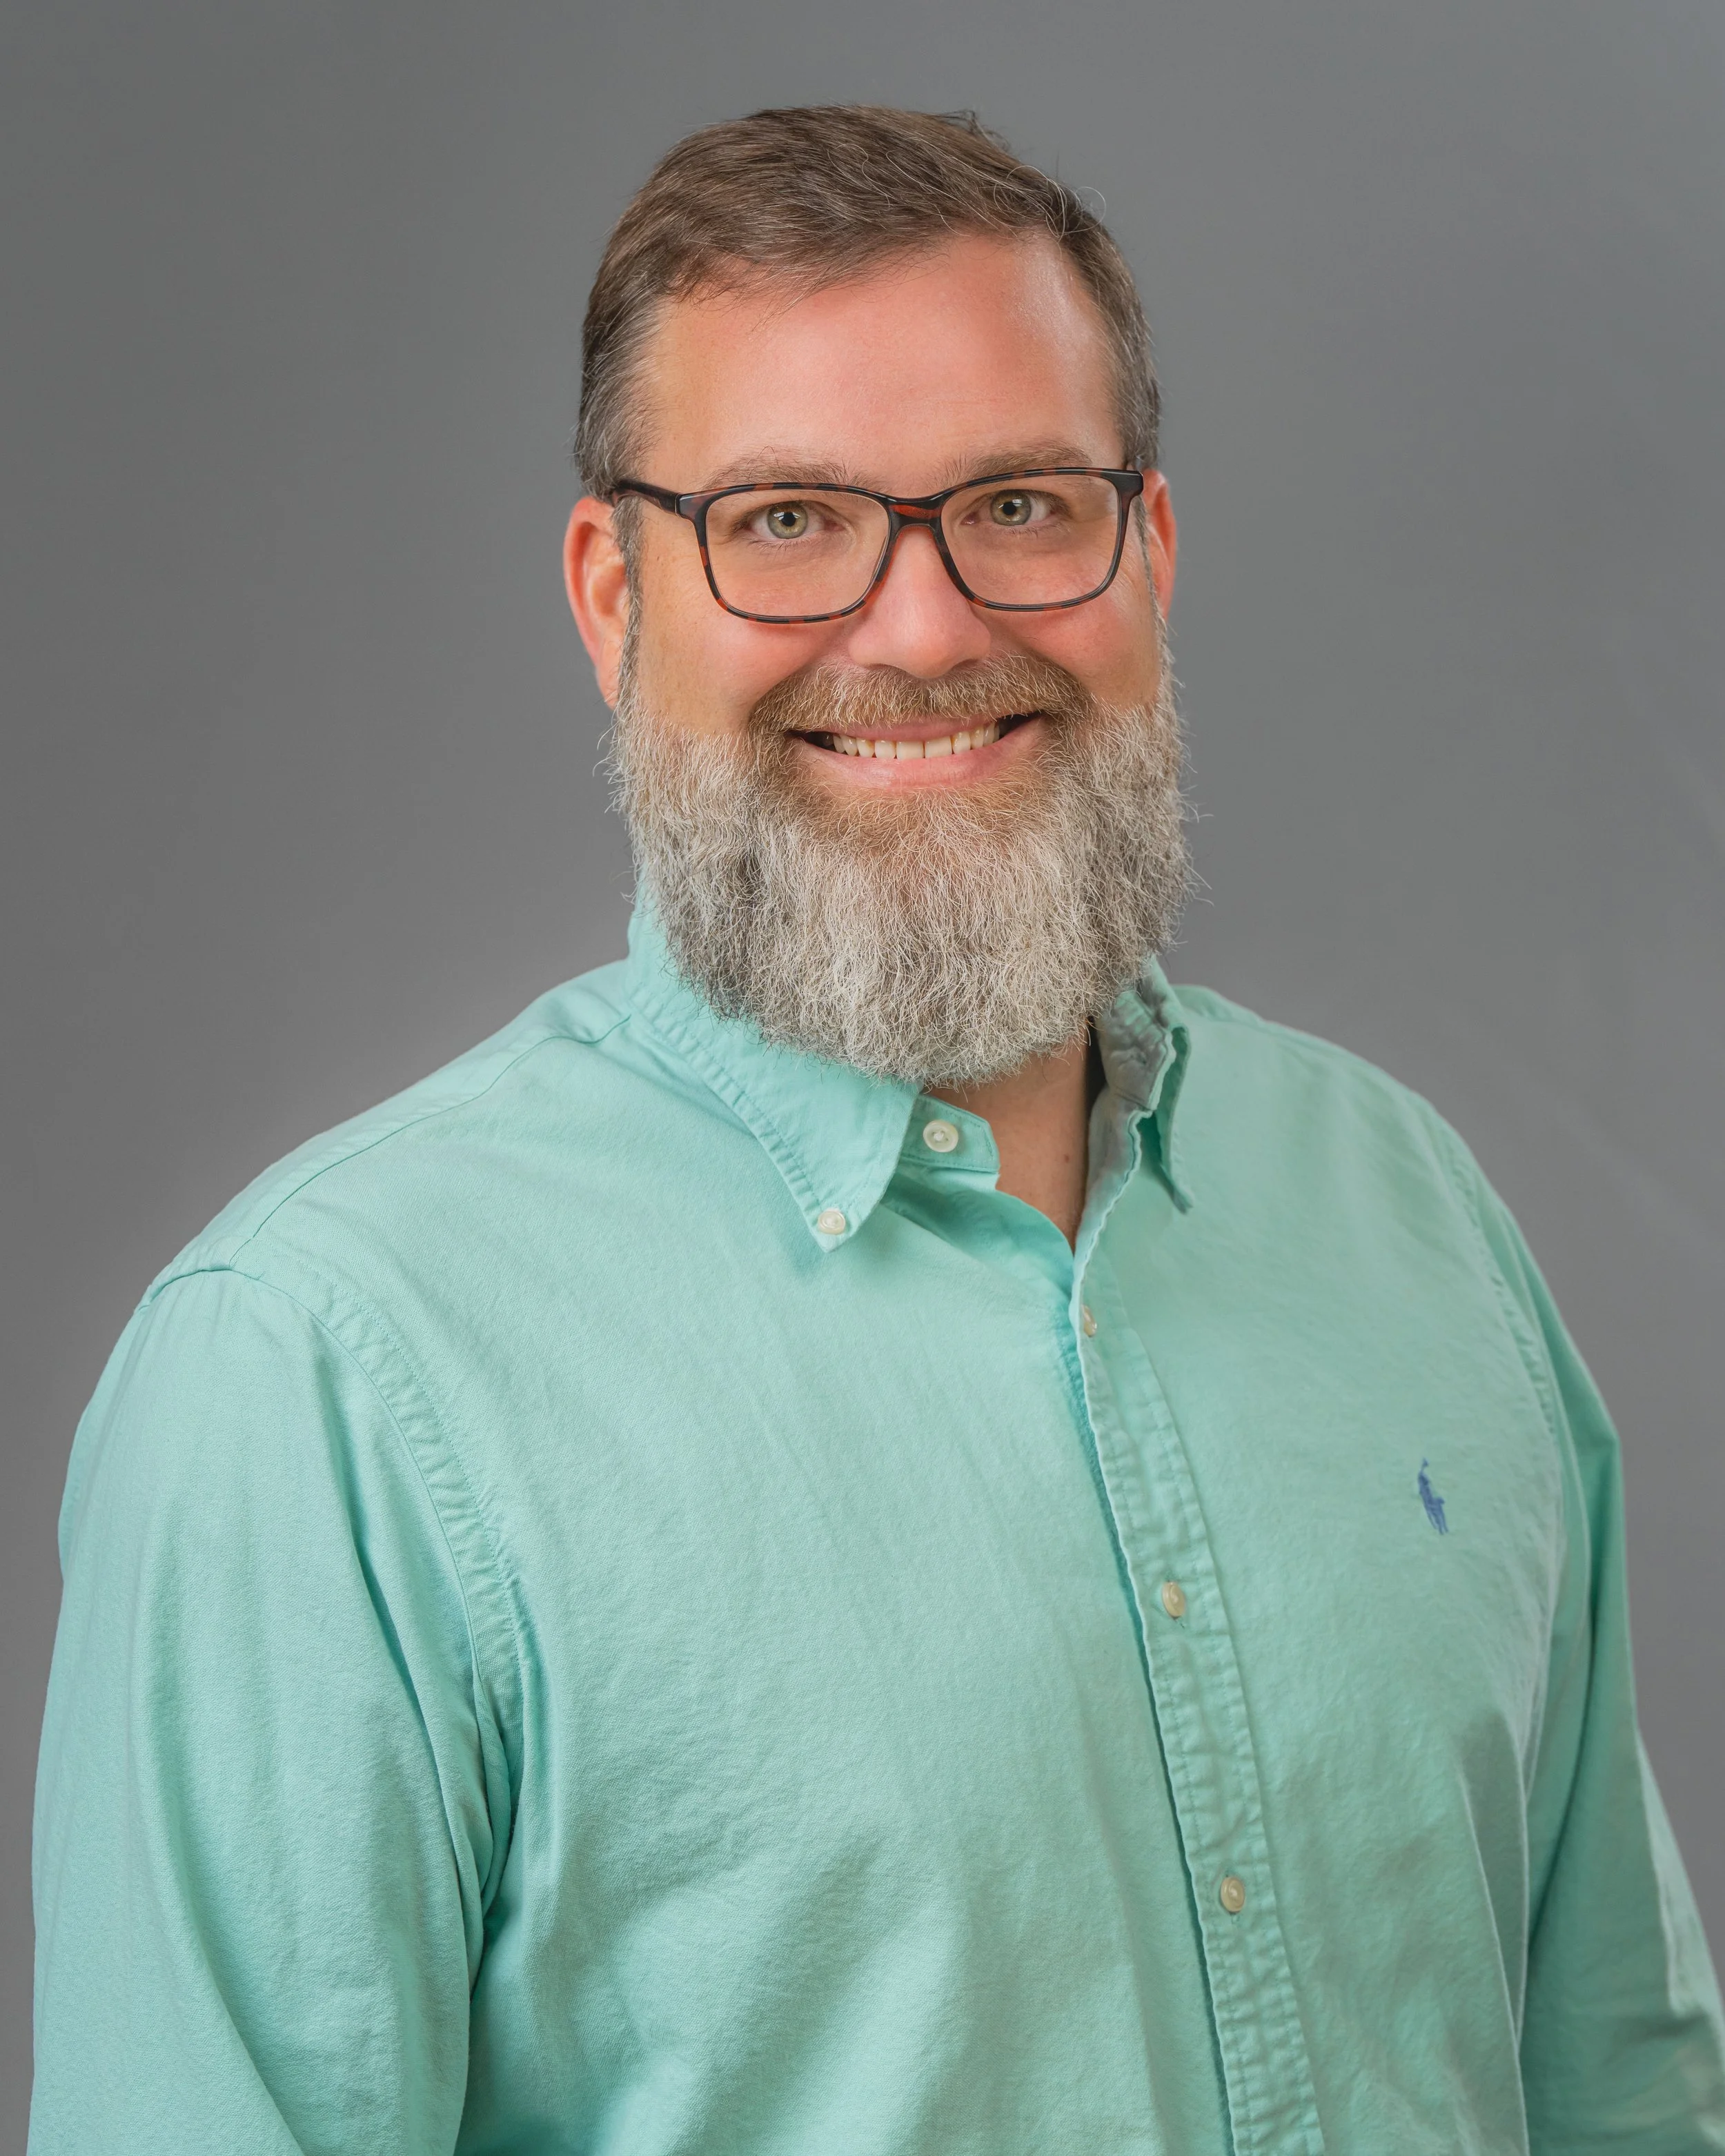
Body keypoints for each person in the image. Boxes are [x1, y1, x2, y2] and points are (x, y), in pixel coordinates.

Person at [28, 103, 1724, 2155]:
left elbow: (1624, 2084)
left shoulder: (1404, 1212)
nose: (921, 631)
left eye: (1015, 503)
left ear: (1149, 554)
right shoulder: (317, 1385)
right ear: (609, 592)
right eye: (786, 519)